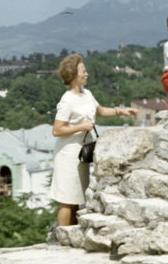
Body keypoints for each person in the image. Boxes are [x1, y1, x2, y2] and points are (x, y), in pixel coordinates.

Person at [51, 53, 137, 227]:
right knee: (68, 199)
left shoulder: (87, 93)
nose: (87, 74)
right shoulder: (67, 100)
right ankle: (61, 239)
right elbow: (57, 130)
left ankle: (71, 235)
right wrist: (81, 127)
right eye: (83, 71)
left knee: (77, 196)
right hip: (68, 155)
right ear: (74, 75)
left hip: (81, 154)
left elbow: (101, 111)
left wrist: (121, 112)